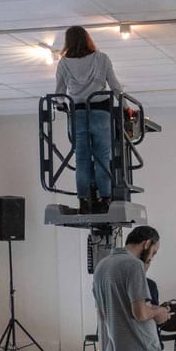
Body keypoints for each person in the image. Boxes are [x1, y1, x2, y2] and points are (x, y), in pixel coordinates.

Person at [54, 25, 122, 214]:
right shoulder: (101, 58)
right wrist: (125, 107)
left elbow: (59, 92)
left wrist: (60, 104)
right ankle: (106, 198)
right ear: (87, 38)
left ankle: (84, 200)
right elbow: (115, 86)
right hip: (101, 111)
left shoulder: (64, 63)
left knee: (82, 159)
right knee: (103, 157)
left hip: (78, 113)